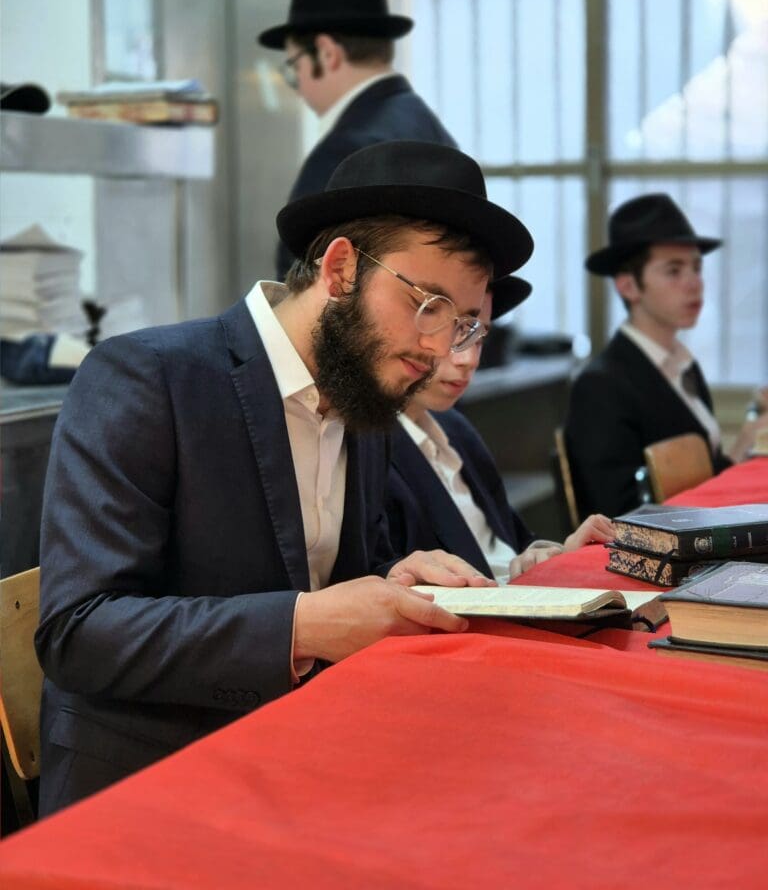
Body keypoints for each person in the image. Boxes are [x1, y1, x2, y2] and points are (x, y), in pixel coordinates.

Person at [34, 139, 534, 816]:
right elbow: (78, 632)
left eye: (465, 325)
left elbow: (337, 575)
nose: (440, 346)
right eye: (429, 305)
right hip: (154, 785)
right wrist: (305, 625)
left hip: (315, 757)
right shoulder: (150, 379)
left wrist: (395, 578)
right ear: (340, 268)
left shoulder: (363, 398)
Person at [387, 277, 615, 582]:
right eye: (454, 332)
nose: (469, 359)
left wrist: (554, 556)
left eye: (478, 337)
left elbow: (514, 546)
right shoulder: (368, 450)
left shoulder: (455, 429)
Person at [564, 192, 768, 518]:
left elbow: (705, 474)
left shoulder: (683, 365)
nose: (695, 284)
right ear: (628, 286)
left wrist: (748, 436)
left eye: (697, 268)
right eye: (674, 271)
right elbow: (618, 512)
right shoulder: (601, 386)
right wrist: (743, 442)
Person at [258, 0, 456, 278]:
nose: (297, 86)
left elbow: (302, 280)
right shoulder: (425, 124)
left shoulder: (349, 148)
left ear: (327, 54)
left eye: (295, 67)